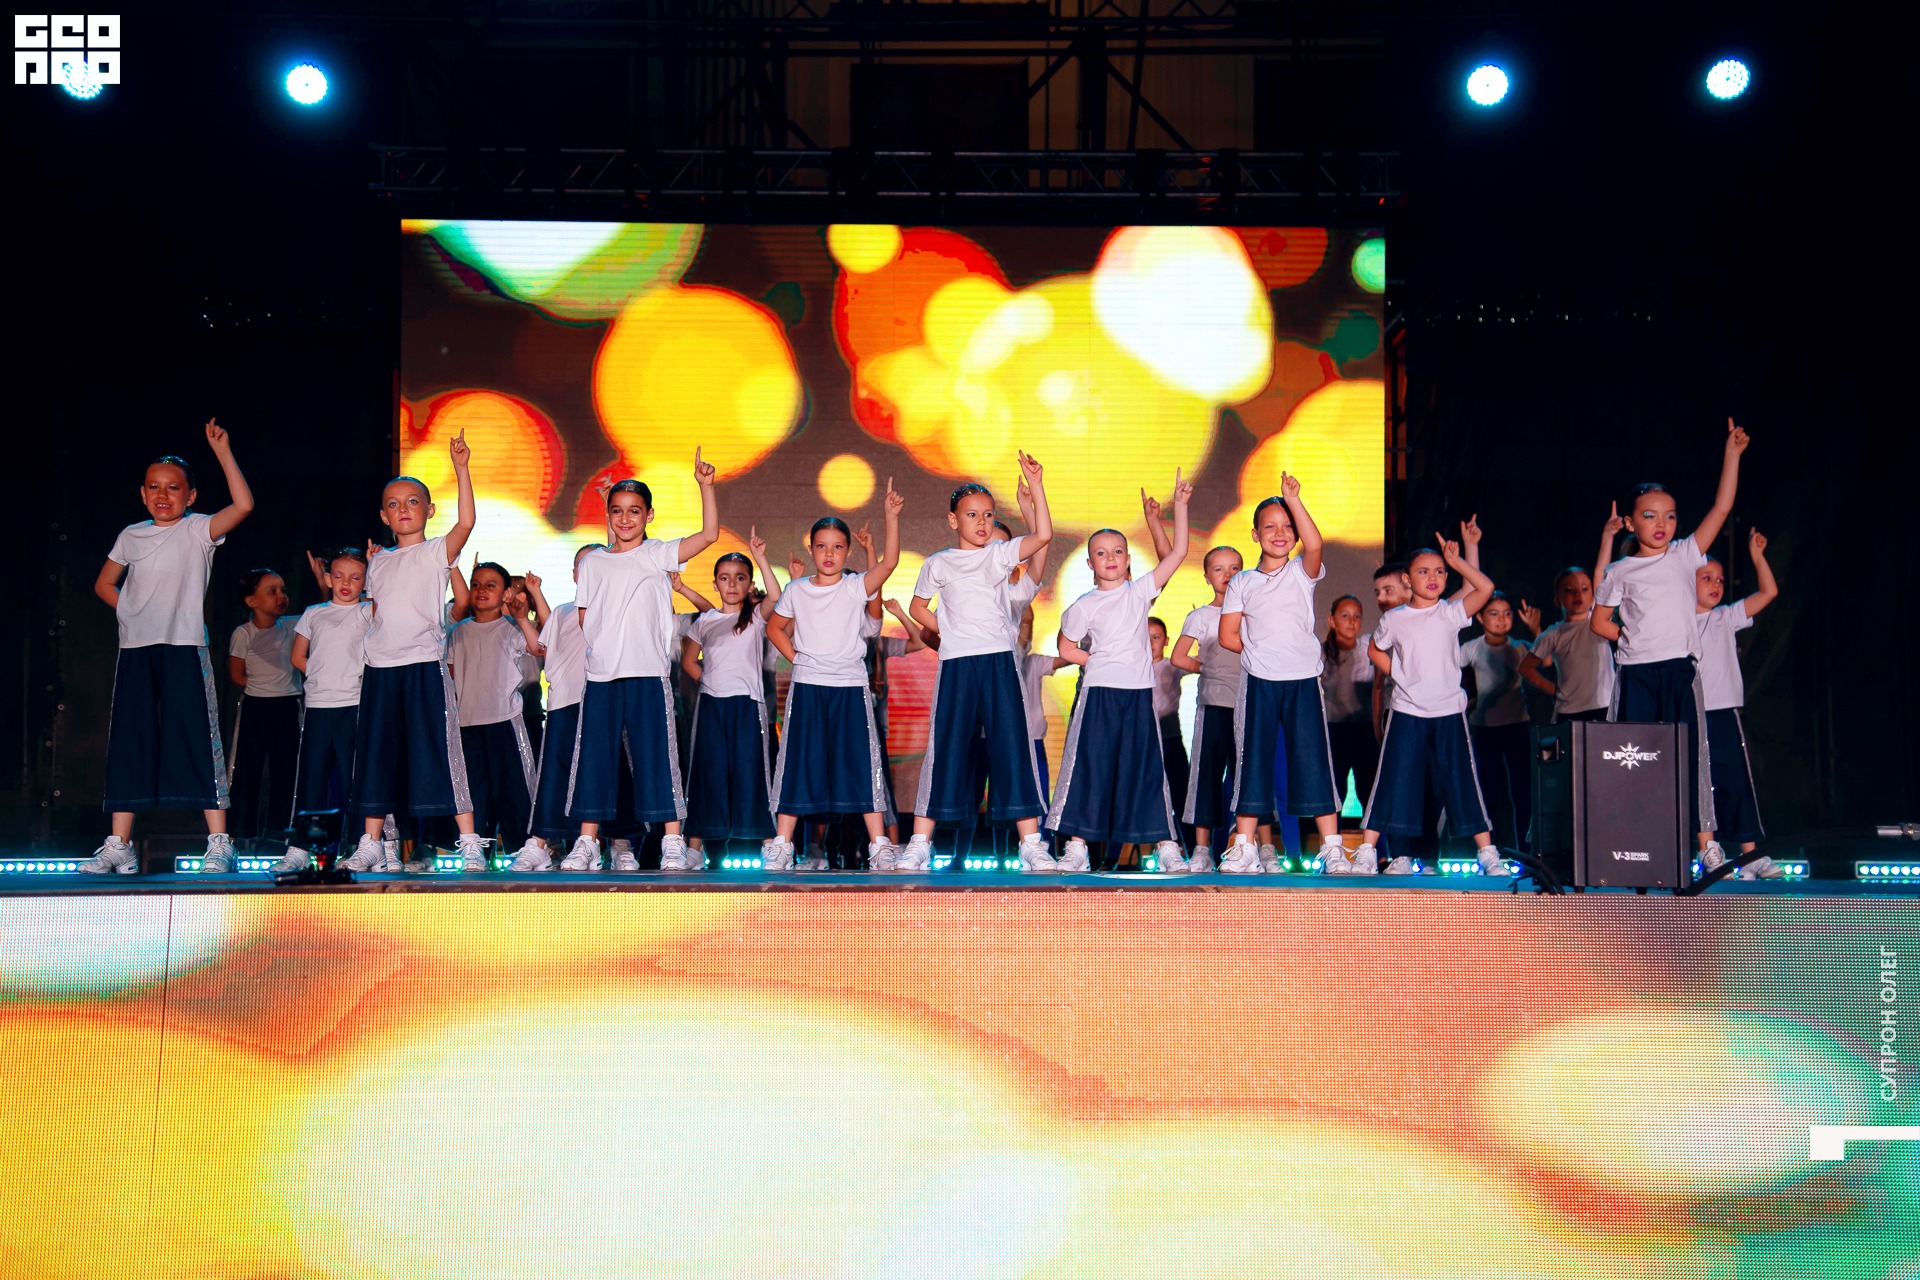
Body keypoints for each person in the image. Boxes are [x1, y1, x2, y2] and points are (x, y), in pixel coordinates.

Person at [81, 420, 255, 874]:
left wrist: (223, 452)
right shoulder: (131, 535)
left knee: (197, 736)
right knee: (131, 740)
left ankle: (219, 842)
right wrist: (130, 610)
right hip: (136, 650)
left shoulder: (198, 529)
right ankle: (119, 845)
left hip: (184, 646)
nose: (163, 495)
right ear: (142, 494)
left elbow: (243, 505)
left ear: (190, 495)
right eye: (154, 487)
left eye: (174, 487)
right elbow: (104, 584)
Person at [1592, 418, 1751, 870]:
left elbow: (1721, 508)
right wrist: (1632, 638)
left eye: (1670, 515)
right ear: (1630, 522)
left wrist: (1732, 455)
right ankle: (1632, 844)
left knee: (1692, 754)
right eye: (1649, 515)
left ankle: (1706, 844)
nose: (1661, 524)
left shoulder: (1685, 555)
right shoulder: (1620, 571)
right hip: (1636, 674)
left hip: (1680, 670)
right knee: (1633, 756)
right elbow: (1600, 623)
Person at [564, 453, 720, 872]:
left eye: (634, 511)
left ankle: (672, 841)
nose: (625, 518)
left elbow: (709, 535)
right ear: (608, 515)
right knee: (595, 758)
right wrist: (604, 646)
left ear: (649, 515)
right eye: (617, 510)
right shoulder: (592, 562)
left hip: (648, 674)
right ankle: (587, 842)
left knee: (657, 757)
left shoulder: (657, 554)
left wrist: (705, 486)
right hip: (602, 677)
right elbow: (585, 615)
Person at [904, 456, 1055, 872]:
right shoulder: (939, 562)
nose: (982, 522)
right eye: (972, 515)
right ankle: (919, 842)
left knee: (1012, 747)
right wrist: (950, 631)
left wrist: (1036, 488)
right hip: (957, 665)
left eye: (988, 514)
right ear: (953, 520)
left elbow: (1043, 535)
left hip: (999, 663)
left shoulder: (1000, 556)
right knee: (946, 747)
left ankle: (1031, 844)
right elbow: (918, 607)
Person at [346, 430, 482, 871]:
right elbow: (376, 612)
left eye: (412, 501)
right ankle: (372, 842)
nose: (402, 509)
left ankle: (469, 840)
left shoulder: (436, 551)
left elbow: (466, 523)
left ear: (429, 509)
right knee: (377, 754)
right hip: (381, 669)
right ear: (383, 515)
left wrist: (461, 468)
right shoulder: (379, 561)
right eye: (393, 503)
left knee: (439, 749)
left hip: (423, 665)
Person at [1046, 469, 1193, 874]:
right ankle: (1077, 846)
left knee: (1147, 769)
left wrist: (1179, 506)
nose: (1110, 558)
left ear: (1128, 560)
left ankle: (1165, 845)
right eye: (1101, 553)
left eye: (1117, 552)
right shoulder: (1083, 605)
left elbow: (1177, 554)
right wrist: (1093, 662)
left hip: (1139, 695)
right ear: (1090, 562)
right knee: (1091, 765)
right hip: (1099, 695)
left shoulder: (1140, 591)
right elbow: (1065, 647)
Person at [765, 485, 905, 870]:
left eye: (838, 547)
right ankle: (782, 844)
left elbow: (889, 563)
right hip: (808, 687)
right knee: (798, 761)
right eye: (822, 546)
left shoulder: (855, 586)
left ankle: (879, 844)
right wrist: (798, 659)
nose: (829, 554)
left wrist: (891, 517)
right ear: (811, 550)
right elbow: (774, 628)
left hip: (849, 687)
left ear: (848, 551)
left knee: (861, 762)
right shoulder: (796, 590)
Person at [1350, 537, 1506, 876]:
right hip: (1407, 711)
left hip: (1449, 711)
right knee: (1393, 779)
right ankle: (1369, 851)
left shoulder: (1450, 612)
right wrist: (1403, 676)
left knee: (1461, 778)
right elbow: (1375, 650)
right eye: (1423, 571)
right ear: (1407, 579)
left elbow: (1485, 587)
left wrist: (1457, 560)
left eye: (1439, 571)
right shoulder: (1396, 618)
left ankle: (1487, 853)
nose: (1433, 577)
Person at [1217, 475, 1347, 875]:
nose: (1280, 533)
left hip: (1303, 680)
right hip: (1259, 682)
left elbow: (1315, 545)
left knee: (1312, 759)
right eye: (1270, 526)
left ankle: (1332, 848)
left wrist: (1294, 499)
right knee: (1253, 760)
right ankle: (1245, 847)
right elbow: (1227, 635)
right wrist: (1259, 653)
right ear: (1255, 535)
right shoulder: (1242, 582)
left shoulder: (1300, 572)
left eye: (1287, 525)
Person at [511, 545, 638, 871]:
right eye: (584, 565)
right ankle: (541, 844)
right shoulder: (563, 611)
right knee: (555, 773)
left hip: (602, 700)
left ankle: (619, 844)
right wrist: (522, 616)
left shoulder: (617, 605)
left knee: (611, 771)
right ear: (574, 574)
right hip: (562, 702)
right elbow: (540, 646)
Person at [683, 530, 784, 861]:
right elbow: (689, 661)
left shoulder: (755, 617)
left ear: (749, 584)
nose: (731, 584)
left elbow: (775, 594)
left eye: (740, 578)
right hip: (711, 707)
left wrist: (760, 557)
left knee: (751, 772)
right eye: (724, 578)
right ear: (715, 584)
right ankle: (695, 848)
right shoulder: (705, 621)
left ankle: (768, 845)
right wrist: (710, 682)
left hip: (748, 705)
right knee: (707, 773)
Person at [281, 547, 380, 872]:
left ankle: (358, 846)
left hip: (353, 706)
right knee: (312, 780)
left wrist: (376, 566)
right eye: (338, 576)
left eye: (355, 577)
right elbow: (297, 657)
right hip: (318, 707)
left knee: (354, 781)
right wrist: (323, 675)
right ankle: (301, 848)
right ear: (328, 579)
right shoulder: (314, 613)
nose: (346, 583)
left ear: (365, 582)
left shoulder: (367, 612)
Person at [447, 560, 546, 866]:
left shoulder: (511, 628)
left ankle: (523, 851)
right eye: (476, 584)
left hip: (505, 720)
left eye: (491, 585)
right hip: (466, 723)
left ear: (505, 593)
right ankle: (476, 851)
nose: (481, 590)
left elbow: (538, 648)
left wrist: (521, 617)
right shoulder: (457, 631)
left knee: (513, 789)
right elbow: (451, 674)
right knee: (473, 790)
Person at [1696, 527, 1782, 877]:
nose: (1716, 584)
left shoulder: (1725, 616)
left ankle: (1750, 856)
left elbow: (1769, 592)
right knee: (1699, 788)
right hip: (1690, 716)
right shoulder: (1676, 623)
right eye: (1706, 578)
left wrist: (1758, 557)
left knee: (1737, 782)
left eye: (1719, 579)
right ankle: (1708, 852)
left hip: (1724, 715)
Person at [1520, 510, 1620, 722]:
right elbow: (1526, 667)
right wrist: (1553, 690)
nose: (1577, 594)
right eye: (1568, 590)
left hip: (1604, 706)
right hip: (1569, 711)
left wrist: (1608, 536)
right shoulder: (1553, 634)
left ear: (1593, 595)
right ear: (1557, 599)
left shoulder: (1598, 620)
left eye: (1584, 589)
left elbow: (1600, 573)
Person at [226, 567, 303, 844]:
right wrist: (264, 685)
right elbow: (237, 675)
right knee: (247, 770)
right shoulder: (243, 634)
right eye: (272, 592)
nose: (281, 596)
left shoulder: (293, 626)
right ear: (252, 601)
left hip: (288, 705)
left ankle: (282, 834)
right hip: (256, 708)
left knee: (287, 770)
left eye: (283, 590)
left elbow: (322, 615)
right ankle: (240, 832)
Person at [1459, 591, 1536, 853]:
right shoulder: (1471, 648)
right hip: (1485, 729)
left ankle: (1526, 854)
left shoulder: (1520, 647)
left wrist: (1536, 630)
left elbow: (1548, 660)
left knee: (1522, 793)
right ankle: (1485, 852)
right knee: (1486, 794)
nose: (1501, 619)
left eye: (1507, 613)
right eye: (1494, 613)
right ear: (1480, 617)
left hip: (1517, 726)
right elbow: (1446, 667)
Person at [1319, 593, 1376, 833]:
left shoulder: (1368, 648)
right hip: (1334, 732)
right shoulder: (1321, 653)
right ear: (1332, 620)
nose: (1352, 622)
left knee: (1369, 792)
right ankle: (1331, 845)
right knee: (1335, 794)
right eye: (1345, 616)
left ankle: (1379, 849)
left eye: (1357, 616)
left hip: (1365, 732)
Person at [1147, 616, 1191, 845]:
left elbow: (1201, 663)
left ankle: (1192, 849)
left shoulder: (1173, 665)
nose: (1151, 642)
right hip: (1143, 742)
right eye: (1146, 637)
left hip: (1170, 738)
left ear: (1166, 640)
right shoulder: (1132, 668)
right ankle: (1111, 857)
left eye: (1156, 637)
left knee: (1181, 796)